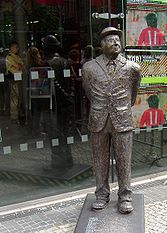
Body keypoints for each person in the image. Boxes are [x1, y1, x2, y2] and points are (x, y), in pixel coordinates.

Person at [82, 27, 141, 214]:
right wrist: (103, 106)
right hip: (98, 119)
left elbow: (132, 95)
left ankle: (125, 196)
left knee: (124, 160)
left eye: (117, 39)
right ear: (101, 46)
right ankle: (101, 194)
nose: (115, 42)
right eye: (110, 40)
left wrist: (120, 107)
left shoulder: (133, 68)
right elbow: (88, 92)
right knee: (100, 160)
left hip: (122, 119)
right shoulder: (89, 67)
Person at [41, 34, 74, 169]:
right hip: (65, 103)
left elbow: (47, 86)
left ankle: (58, 162)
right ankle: (68, 159)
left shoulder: (46, 63)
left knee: (54, 133)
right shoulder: (65, 61)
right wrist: (69, 96)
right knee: (65, 132)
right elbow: (70, 81)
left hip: (53, 104)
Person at [6, 41, 24, 122]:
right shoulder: (9, 57)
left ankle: (18, 113)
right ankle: (14, 115)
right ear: (11, 48)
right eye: (15, 47)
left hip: (19, 78)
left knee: (19, 96)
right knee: (14, 97)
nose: (17, 49)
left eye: (17, 47)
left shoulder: (17, 57)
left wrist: (19, 66)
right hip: (13, 79)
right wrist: (18, 65)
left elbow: (22, 65)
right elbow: (17, 66)